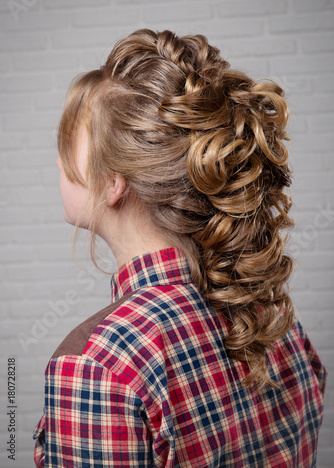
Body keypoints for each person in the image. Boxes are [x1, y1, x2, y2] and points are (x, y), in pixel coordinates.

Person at [33, 29, 327, 467]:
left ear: (114, 183)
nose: (58, 161)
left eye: (69, 146)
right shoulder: (272, 315)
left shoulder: (99, 368)